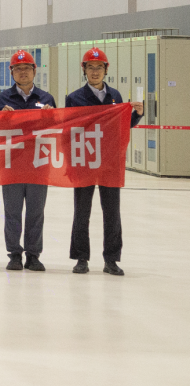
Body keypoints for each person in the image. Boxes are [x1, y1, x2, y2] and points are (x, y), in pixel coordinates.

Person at [65, 47, 143, 276]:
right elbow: (67, 132)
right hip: (84, 162)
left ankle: (111, 260)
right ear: (84, 70)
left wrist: (137, 115)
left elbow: (121, 127)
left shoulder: (115, 96)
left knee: (112, 213)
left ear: (106, 70)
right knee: (82, 213)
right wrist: (70, 163)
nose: (95, 71)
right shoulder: (74, 98)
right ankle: (81, 258)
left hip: (109, 163)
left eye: (99, 67)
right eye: (91, 67)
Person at [0, 50, 56, 272]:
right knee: (12, 212)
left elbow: (57, 130)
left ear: (34, 71)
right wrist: (1, 117)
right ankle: (14, 254)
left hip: (38, 164)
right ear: (11, 72)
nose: (23, 72)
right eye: (18, 69)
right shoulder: (2, 100)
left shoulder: (46, 99)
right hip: (12, 164)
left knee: (36, 212)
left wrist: (51, 116)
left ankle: (34, 255)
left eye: (27, 68)